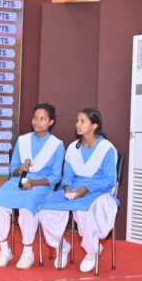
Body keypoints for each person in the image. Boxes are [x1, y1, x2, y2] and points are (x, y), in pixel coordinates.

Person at [38, 108, 118, 272]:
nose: (77, 125)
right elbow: (67, 175)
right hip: (74, 188)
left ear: (94, 125)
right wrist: (68, 188)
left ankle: (92, 251)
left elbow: (109, 180)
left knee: (83, 209)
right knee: (46, 208)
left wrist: (84, 189)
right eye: (77, 121)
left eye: (82, 121)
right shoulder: (73, 148)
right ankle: (61, 246)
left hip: (97, 190)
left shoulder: (106, 149)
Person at [0, 103, 64, 269]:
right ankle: (4, 250)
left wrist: (34, 183)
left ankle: (28, 252)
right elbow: (12, 169)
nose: (37, 122)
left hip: (42, 185)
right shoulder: (22, 140)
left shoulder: (57, 145)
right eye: (35, 118)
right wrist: (19, 170)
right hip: (19, 181)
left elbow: (55, 177)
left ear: (51, 122)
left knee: (27, 206)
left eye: (42, 119)